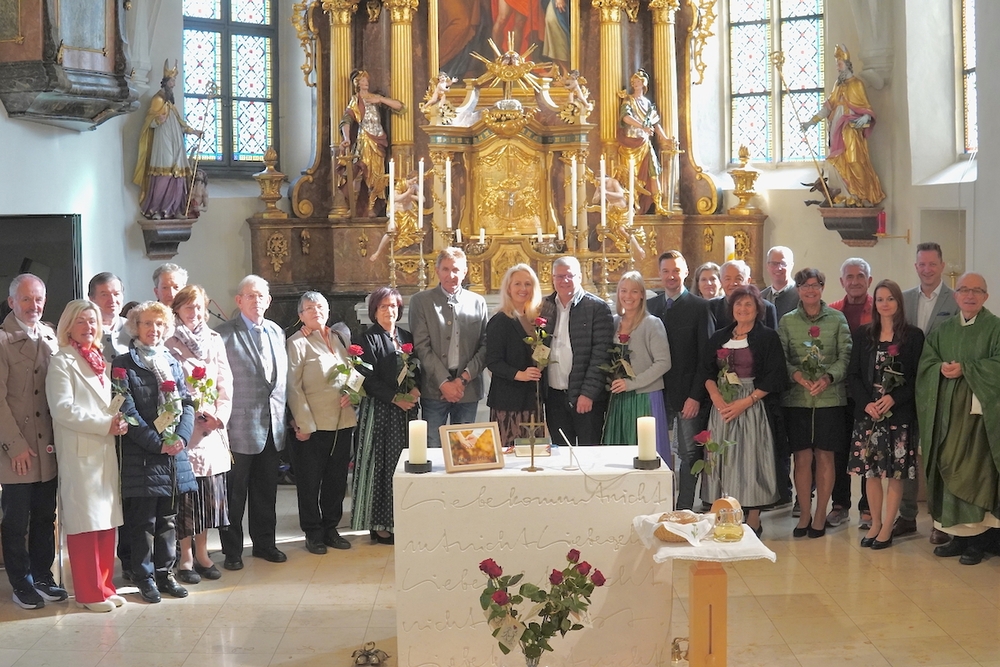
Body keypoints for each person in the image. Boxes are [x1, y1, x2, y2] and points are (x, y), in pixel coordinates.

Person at [46, 300, 129, 611]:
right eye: (81, 321)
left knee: (106, 521)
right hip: (80, 452)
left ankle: (105, 587)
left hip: (103, 449)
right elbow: (63, 409)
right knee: (85, 524)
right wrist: (104, 424)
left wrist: (117, 421)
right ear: (68, 326)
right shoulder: (61, 361)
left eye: (92, 321)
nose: (88, 327)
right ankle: (88, 593)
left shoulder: (97, 359)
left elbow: (105, 405)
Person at [113, 300, 197, 604]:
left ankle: (165, 574)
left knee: (168, 520)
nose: (154, 329)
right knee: (143, 523)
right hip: (143, 457)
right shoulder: (123, 363)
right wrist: (157, 443)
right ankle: (144, 577)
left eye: (160, 324)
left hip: (173, 456)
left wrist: (182, 437)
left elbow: (186, 403)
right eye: (147, 323)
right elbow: (127, 411)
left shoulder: (171, 361)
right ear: (136, 327)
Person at [916, 273, 1000, 565]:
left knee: (976, 475)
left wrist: (968, 369)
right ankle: (958, 537)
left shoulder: (996, 328)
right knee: (949, 469)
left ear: (986, 297)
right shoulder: (943, 330)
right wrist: (938, 369)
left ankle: (979, 541)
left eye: (977, 291)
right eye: (964, 290)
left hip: (980, 422)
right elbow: (926, 364)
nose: (970, 295)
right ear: (956, 296)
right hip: (948, 418)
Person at [0, 274, 67, 610]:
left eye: (38, 299)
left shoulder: (51, 336)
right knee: (16, 522)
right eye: (26, 299)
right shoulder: (2, 341)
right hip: (16, 449)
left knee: (44, 516)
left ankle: (43, 576)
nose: (33, 305)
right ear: (12, 301)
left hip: (47, 447)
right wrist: (15, 445)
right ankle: (21, 583)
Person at [700, 285, 787, 535]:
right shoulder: (719, 336)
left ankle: (754, 519)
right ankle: (725, 513)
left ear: (758, 309)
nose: (743, 308)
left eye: (749, 304)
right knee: (723, 459)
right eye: (738, 304)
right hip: (723, 406)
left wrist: (747, 401)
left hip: (752, 405)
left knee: (751, 459)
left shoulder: (767, 337)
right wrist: (716, 397)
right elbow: (706, 370)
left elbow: (775, 376)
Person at [216, 275, 289, 570]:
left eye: (261, 296)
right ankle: (232, 551)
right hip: (238, 427)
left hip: (272, 425)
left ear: (268, 301)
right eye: (250, 295)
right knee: (234, 495)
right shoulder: (223, 334)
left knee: (266, 491)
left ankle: (265, 544)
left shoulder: (276, 331)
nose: (256, 300)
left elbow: (279, 383)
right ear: (239, 300)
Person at [847, 280, 923, 550]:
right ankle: (875, 523)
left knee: (894, 474)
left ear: (898, 302)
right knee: (871, 472)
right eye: (880, 299)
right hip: (869, 415)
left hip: (898, 415)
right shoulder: (864, 335)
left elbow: (917, 378)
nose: (885, 304)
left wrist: (893, 397)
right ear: (875, 304)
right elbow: (853, 375)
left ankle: (888, 526)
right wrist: (866, 403)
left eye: (890, 298)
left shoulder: (913, 336)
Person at [164, 285, 233, 583]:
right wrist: (190, 414)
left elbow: (225, 383)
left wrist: (219, 416)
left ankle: (203, 553)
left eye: (199, 307)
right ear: (177, 309)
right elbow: (167, 386)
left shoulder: (215, 339)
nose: (195, 312)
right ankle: (185, 557)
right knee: (186, 499)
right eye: (188, 307)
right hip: (186, 429)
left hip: (211, 429)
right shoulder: (169, 340)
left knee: (206, 498)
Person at [778, 268, 852, 538]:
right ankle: (804, 514)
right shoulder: (787, 321)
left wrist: (829, 377)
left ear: (822, 287)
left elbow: (846, 355)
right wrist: (797, 375)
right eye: (805, 285)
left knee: (825, 455)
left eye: (815, 285)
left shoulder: (837, 318)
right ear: (798, 289)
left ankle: (821, 514)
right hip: (797, 398)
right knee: (801, 457)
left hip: (830, 398)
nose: (810, 290)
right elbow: (781, 357)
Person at [895, 242, 959, 544]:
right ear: (916, 266)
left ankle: (940, 520)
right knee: (907, 453)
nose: (927, 269)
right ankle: (907, 516)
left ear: (942, 266)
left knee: (937, 455)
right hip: (907, 390)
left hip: (940, 389)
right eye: (922, 264)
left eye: (932, 264)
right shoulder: (904, 300)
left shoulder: (955, 301)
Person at [286, 292, 357, 554]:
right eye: (309, 308)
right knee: (309, 482)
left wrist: (353, 394)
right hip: (313, 425)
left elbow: (354, 372)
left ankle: (331, 528)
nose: (316, 311)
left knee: (336, 480)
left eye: (320, 306)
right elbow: (293, 387)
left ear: (328, 311)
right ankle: (313, 532)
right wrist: (303, 423)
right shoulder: (296, 343)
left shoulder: (340, 338)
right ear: (301, 315)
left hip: (342, 421)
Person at [353, 287, 420, 545]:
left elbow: (418, 369)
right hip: (380, 413)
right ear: (374, 310)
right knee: (380, 468)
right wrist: (395, 398)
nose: (389, 310)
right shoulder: (367, 339)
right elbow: (368, 379)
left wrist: (415, 390)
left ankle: (400, 520)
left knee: (402, 467)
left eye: (393, 306)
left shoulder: (405, 337)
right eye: (383, 306)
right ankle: (379, 525)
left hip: (405, 413)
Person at [647, 251, 714, 508]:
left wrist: (695, 396)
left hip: (687, 395)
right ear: (659, 274)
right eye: (666, 271)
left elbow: (705, 358)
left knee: (688, 452)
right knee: (654, 449)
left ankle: (684, 505)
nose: (671, 276)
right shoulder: (651, 306)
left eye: (676, 270)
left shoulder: (700, 307)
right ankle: (657, 502)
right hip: (656, 391)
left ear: (685, 272)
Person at [409, 248, 488, 449]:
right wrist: (444, 383)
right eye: (445, 269)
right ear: (437, 271)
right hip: (434, 388)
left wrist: (462, 380)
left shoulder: (477, 302)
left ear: (465, 272)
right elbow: (421, 346)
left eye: (456, 270)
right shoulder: (421, 301)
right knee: (433, 446)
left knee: (463, 450)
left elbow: (485, 346)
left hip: (467, 389)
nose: (450, 275)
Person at [540, 256, 614, 445]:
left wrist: (588, 394)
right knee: (561, 452)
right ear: (552, 278)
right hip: (554, 396)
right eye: (559, 276)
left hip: (585, 396)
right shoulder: (545, 307)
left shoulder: (597, 307)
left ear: (580, 277)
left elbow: (601, 355)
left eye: (569, 275)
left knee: (590, 453)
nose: (564, 280)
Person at [801, 44, 885, 206]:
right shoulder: (838, 85)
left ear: (847, 65)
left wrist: (865, 117)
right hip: (836, 129)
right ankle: (850, 194)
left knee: (855, 161)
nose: (837, 68)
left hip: (851, 128)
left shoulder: (857, 84)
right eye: (837, 64)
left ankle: (862, 195)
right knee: (841, 161)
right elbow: (828, 107)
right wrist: (810, 123)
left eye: (839, 64)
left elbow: (866, 107)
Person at [827, 258, 874, 529]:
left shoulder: (879, 310)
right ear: (842, 281)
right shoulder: (833, 311)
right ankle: (840, 505)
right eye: (850, 276)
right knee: (839, 450)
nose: (855, 281)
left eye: (860, 276)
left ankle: (868, 507)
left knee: (869, 451)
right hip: (839, 392)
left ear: (869, 280)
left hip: (868, 394)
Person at [602, 271, 671, 448]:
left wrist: (631, 383)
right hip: (619, 397)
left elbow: (663, 362)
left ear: (642, 294)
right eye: (623, 291)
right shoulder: (614, 323)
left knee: (646, 451)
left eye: (634, 291)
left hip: (644, 396)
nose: (628, 296)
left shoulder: (652, 323)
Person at [133, 59, 204, 220]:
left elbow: (180, 123)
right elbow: (149, 122)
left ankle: (174, 209)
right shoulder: (157, 100)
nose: (174, 84)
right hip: (163, 142)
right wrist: (158, 120)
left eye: (175, 80)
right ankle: (157, 209)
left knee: (178, 175)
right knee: (163, 174)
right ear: (165, 82)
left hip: (176, 142)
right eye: (172, 80)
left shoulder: (171, 103)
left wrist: (194, 132)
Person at [486, 265, 545, 449]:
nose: (523, 289)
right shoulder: (500, 320)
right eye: (517, 284)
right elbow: (493, 362)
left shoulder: (536, 319)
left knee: (533, 453)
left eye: (528, 284)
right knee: (509, 453)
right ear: (508, 288)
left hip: (533, 399)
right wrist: (521, 375)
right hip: (508, 402)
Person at [340, 70, 404, 217]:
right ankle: (354, 207)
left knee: (377, 175)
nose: (366, 83)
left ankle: (371, 206)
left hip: (379, 139)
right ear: (357, 83)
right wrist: (346, 138)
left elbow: (400, 107)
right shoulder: (355, 100)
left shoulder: (376, 98)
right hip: (364, 139)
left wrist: (380, 100)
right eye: (362, 80)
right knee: (361, 171)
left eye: (367, 80)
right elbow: (346, 120)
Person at [618, 69, 670, 215]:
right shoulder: (628, 100)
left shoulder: (647, 104)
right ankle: (632, 207)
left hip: (645, 143)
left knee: (654, 172)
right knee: (632, 177)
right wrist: (642, 126)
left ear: (643, 84)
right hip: (631, 143)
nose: (635, 84)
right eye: (634, 81)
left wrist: (665, 138)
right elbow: (625, 117)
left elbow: (655, 123)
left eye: (638, 81)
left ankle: (658, 205)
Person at [711, 260, 779, 330]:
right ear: (721, 282)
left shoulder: (767, 308)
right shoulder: (711, 308)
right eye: (727, 279)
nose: (733, 283)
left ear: (748, 281)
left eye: (739, 279)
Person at [88, 272, 130, 362]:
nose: (112, 300)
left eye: (116, 294)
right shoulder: (85, 330)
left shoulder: (134, 328)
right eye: (104, 295)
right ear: (92, 299)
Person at [761, 246, 799, 319]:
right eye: (774, 263)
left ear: (791, 265)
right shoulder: (760, 297)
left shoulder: (801, 295)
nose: (778, 268)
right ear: (767, 266)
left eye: (783, 263)